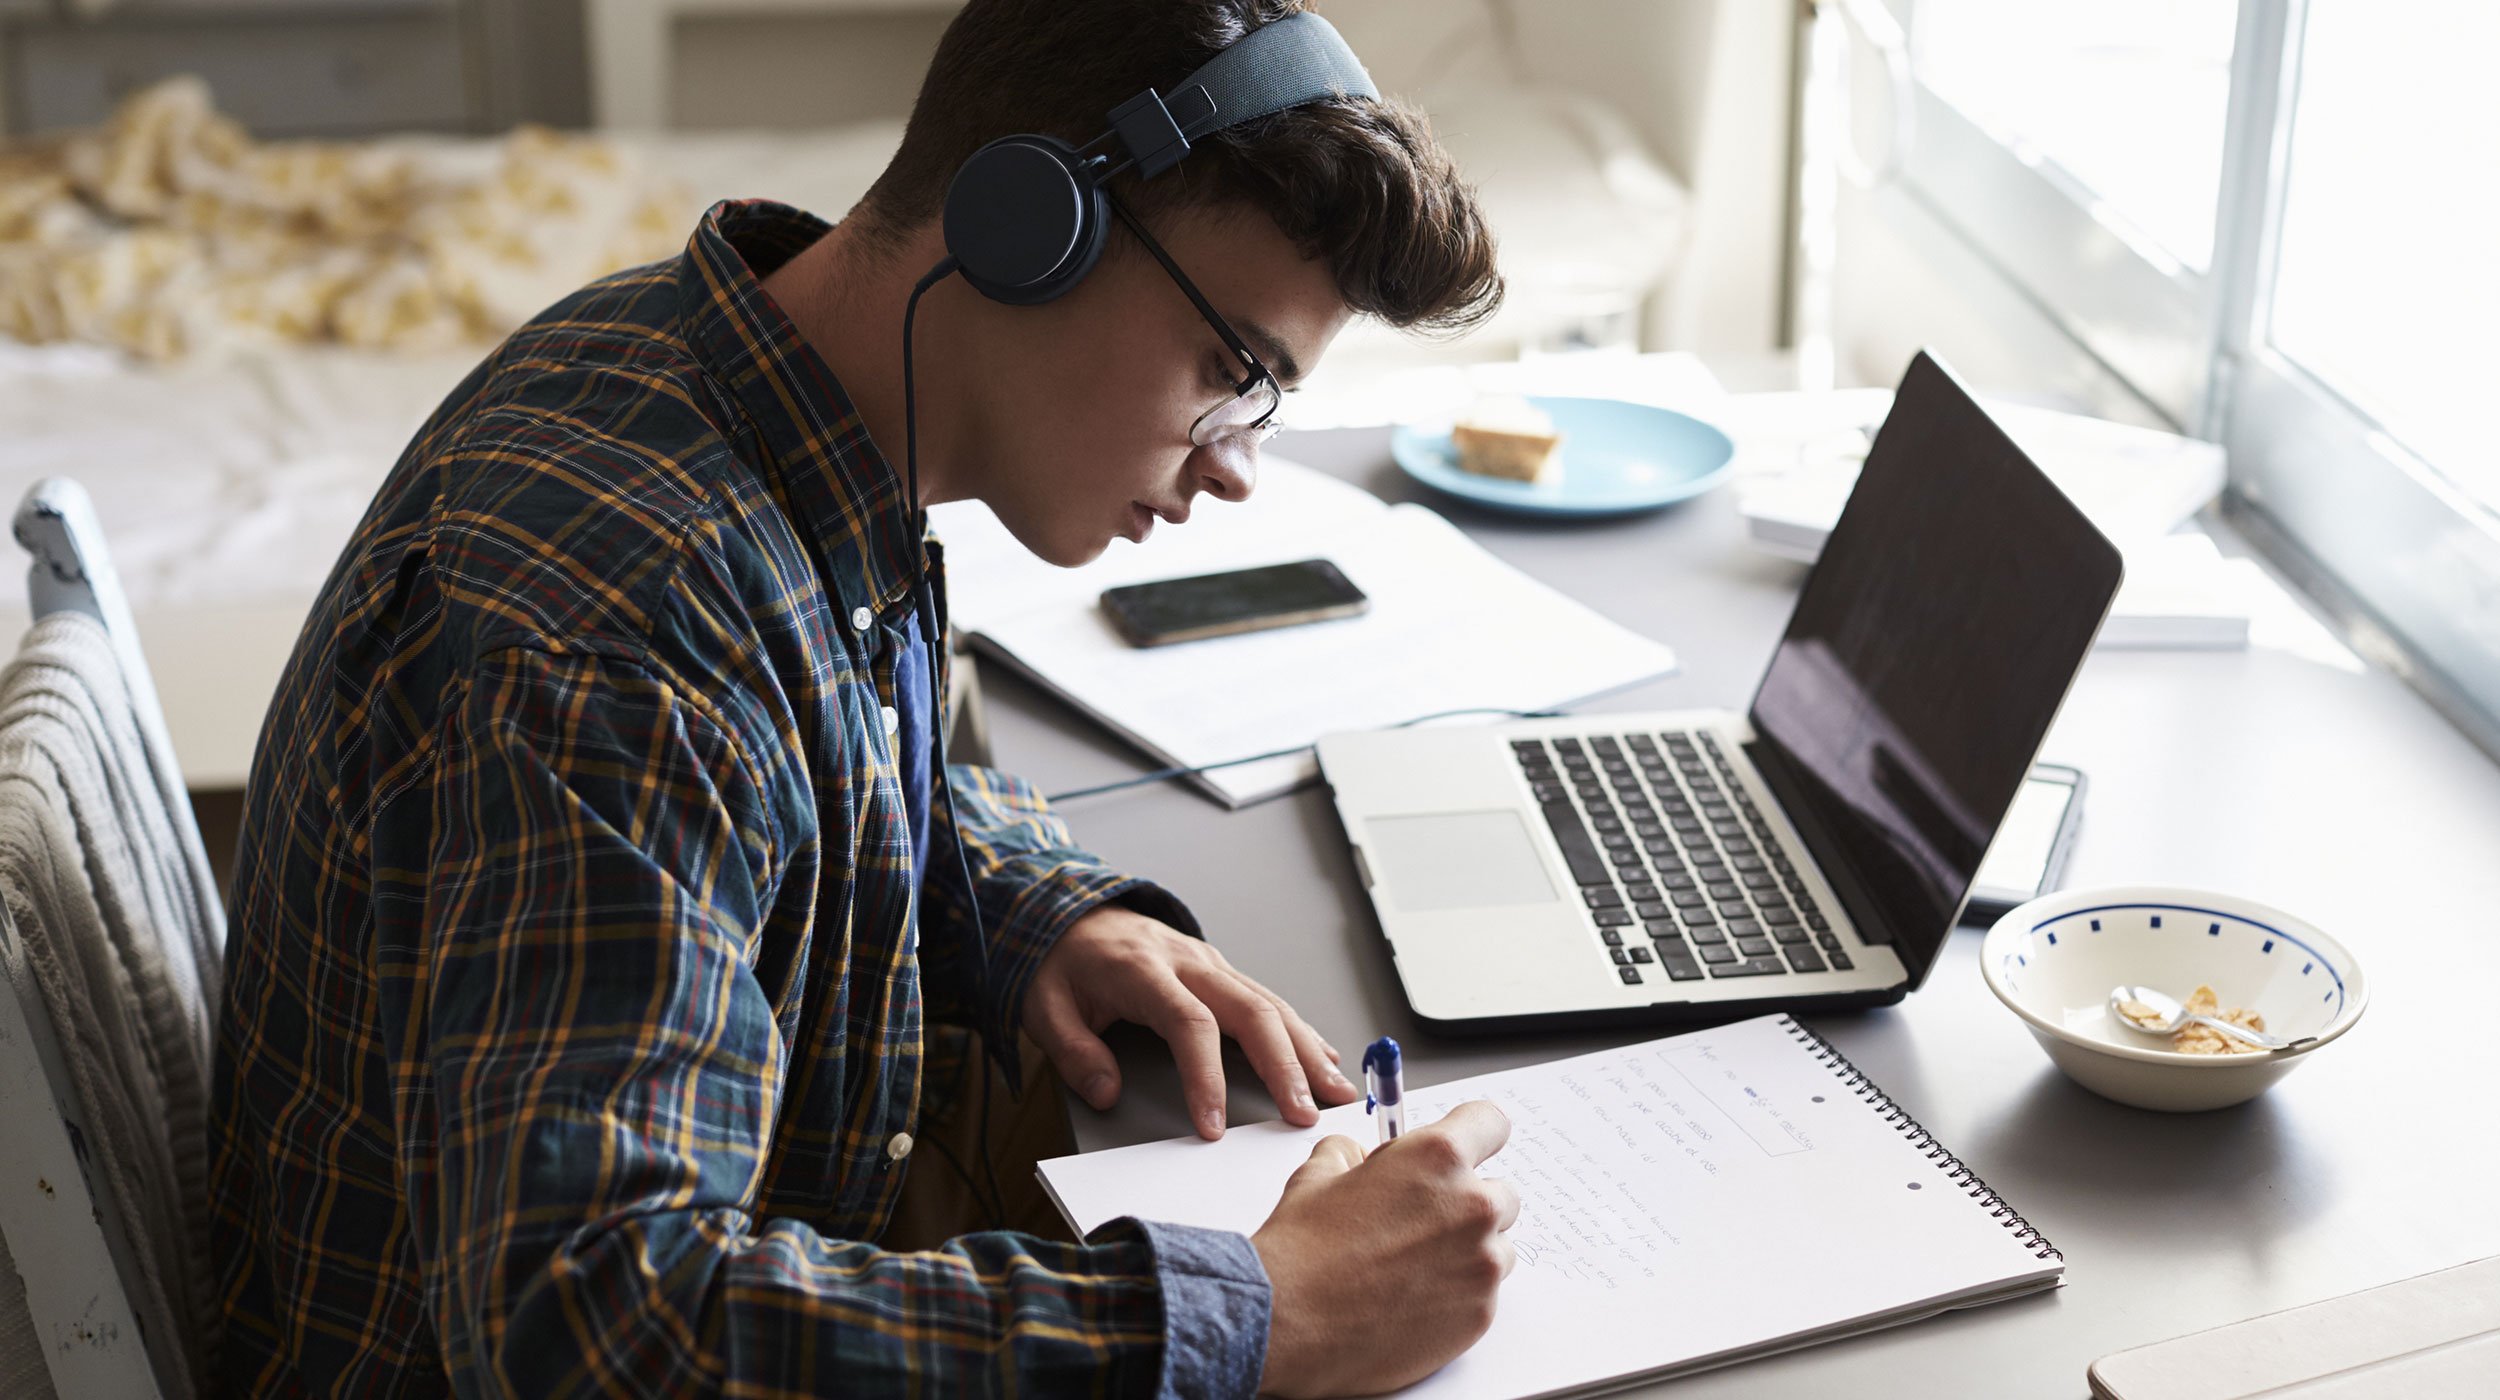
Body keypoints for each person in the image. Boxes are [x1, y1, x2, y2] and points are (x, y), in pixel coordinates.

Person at [206, 1, 1520, 1395]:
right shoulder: (626, 630)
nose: (1233, 466)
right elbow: (597, 1328)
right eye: (1231, 371)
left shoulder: (720, 381)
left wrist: (1033, 911)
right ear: (1026, 224)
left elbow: (801, 778)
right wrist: (1258, 1315)